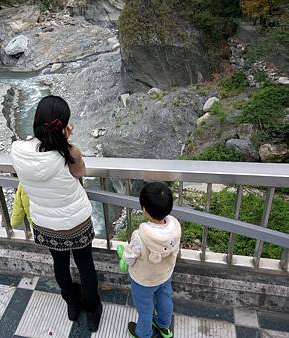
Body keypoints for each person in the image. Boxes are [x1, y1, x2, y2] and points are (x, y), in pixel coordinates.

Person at [10, 95, 103, 332]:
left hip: (45, 222)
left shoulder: (18, 151)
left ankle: (72, 304)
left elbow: (39, 155)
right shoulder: (69, 152)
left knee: (59, 263)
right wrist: (66, 141)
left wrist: (60, 139)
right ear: (64, 126)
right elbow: (79, 173)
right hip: (76, 221)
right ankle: (92, 309)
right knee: (85, 264)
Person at [121, 182, 181, 338]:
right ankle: (164, 327)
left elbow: (129, 257)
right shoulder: (175, 229)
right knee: (165, 300)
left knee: (145, 308)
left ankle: (143, 334)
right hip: (164, 275)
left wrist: (124, 259)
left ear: (144, 210)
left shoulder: (140, 235)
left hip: (144, 280)